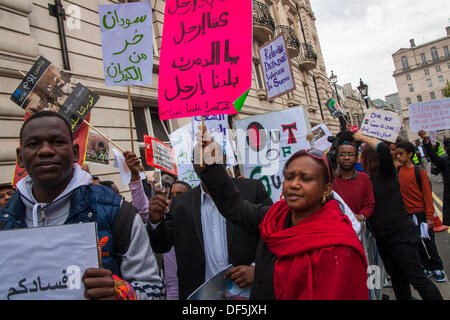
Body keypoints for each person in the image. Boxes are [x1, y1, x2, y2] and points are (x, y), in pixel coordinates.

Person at [0, 111, 165, 300]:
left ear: (75, 152)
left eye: (57, 142)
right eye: (33, 144)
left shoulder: (117, 213)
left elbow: (154, 291)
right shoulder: (4, 221)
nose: (45, 150)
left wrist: (119, 293)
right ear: (20, 157)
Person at [195, 130, 368, 300]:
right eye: (289, 177)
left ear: (326, 189)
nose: (294, 184)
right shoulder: (274, 217)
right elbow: (235, 207)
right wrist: (211, 163)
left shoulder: (339, 244)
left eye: (305, 178)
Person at [147, 152, 273, 300]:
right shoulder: (181, 203)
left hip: (248, 295)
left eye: (213, 155)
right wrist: (155, 221)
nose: (206, 162)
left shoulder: (252, 190)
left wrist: (256, 270)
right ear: (194, 165)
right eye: (201, 157)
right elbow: (161, 245)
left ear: (225, 160)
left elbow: (274, 236)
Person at [353, 132, 443, 300]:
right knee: (398, 280)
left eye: (361, 156)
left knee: (418, 280)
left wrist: (363, 137)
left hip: (401, 236)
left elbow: (384, 151)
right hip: (383, 238)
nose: (359, 159)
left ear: (369, 158)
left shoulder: (386, 171)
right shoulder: (368, 178)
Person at [395, 141, 446, 282]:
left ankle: (437, 268)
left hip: (422, 214)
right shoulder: (398, 171)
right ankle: (426, 266)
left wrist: (430, 216)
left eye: (401, 154)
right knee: (416, 242)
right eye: (397, 153)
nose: (398, 157)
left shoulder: (419, 171)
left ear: (410, 154)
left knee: (428, 241)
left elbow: (427, 196)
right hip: (408, 216)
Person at [163, 181, 192, 300]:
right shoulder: (165, 222)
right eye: (172, 196)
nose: (175, 200)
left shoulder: (200, 222)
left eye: (179, 195)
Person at [332, 142, 375, 222]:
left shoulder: (364, 178)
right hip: (334, 225)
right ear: (337, 158)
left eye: (351, 154)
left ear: (356, 158)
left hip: (356, 227)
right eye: (342, 154)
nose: (346, 158)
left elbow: (369, 204)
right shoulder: (330, 179)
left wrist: (361, 216)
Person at [419, 131, 450, 227]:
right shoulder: (446, 162)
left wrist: (426, 140)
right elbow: (433, 157)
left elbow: (433, 157)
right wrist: (426, 141)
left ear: (445, 147)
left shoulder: (445, 161)